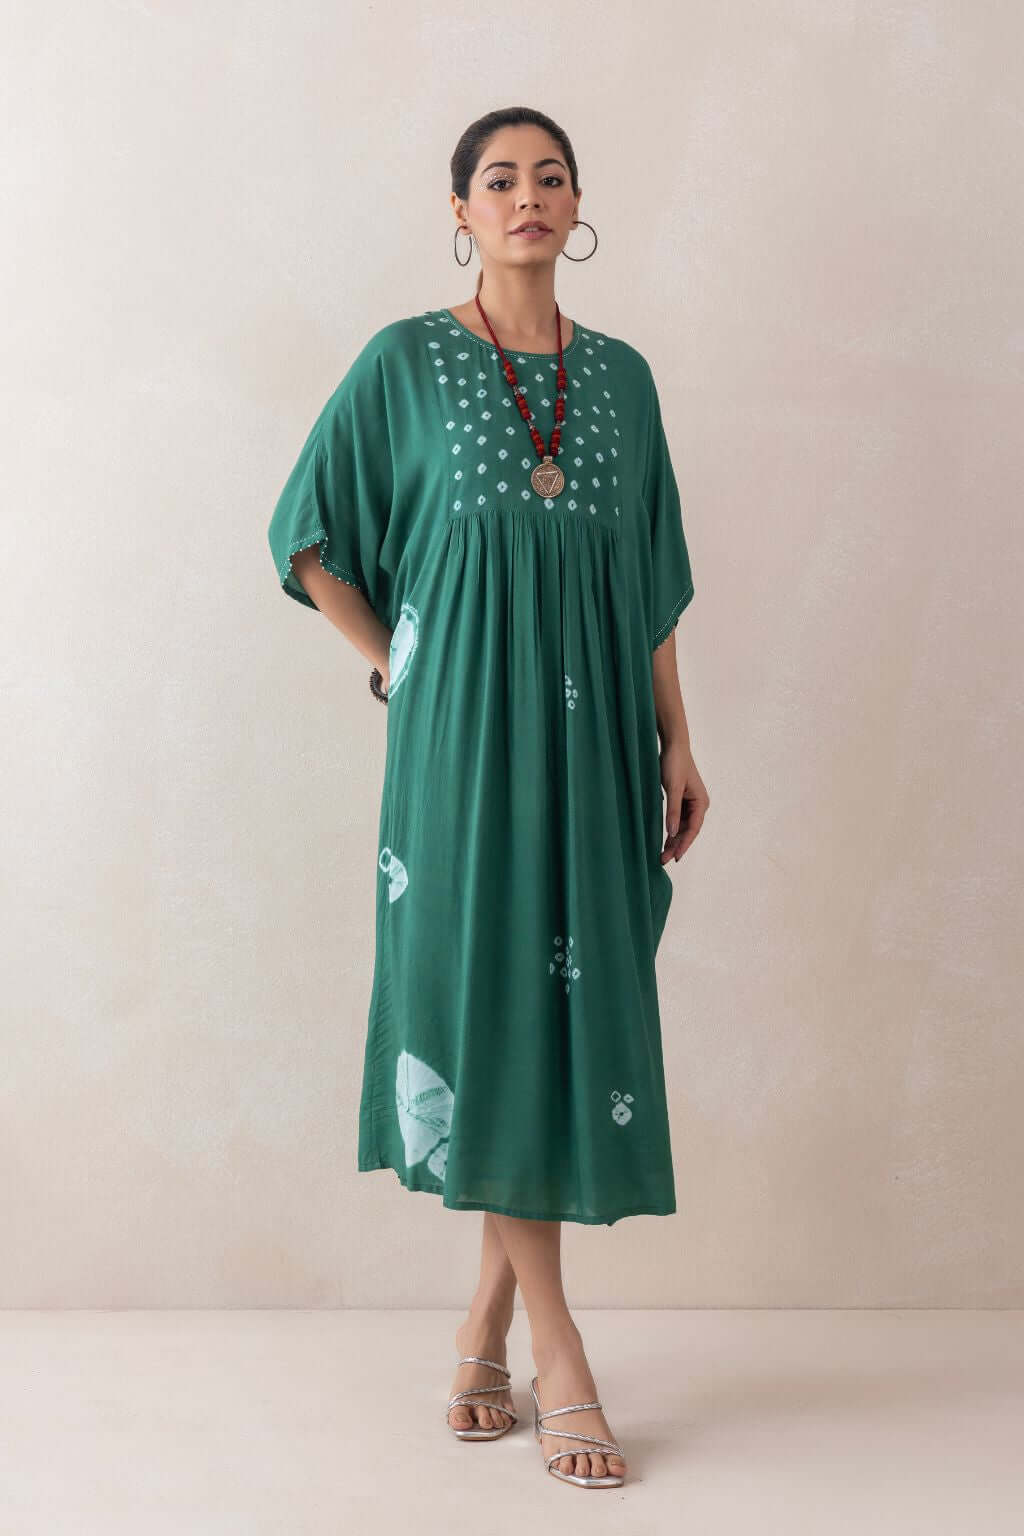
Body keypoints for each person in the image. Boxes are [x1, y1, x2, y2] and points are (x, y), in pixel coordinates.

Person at [267, 106, 710, 1489]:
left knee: (562, 1011)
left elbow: (648, 577)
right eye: (500, 179)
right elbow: (306, 532)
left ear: (577, 205)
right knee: (486, 1005)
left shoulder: (623, 379)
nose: (529, 196)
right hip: (458, 737)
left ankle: (479, 1332)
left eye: (550, 176)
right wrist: (394, 663)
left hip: (597, 739)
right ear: (459, 211)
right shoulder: (403, 363)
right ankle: (559, 1353)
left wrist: (678, 737)